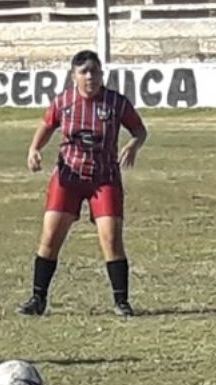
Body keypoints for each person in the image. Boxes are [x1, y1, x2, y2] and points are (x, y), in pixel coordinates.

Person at [18, 50, 148, 317]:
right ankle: (37, 298)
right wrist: (33, 149)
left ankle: (121, 302)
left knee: (111, 239)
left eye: (95, 71)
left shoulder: (116, 102)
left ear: (102, 73)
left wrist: (134, 144)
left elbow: (140, 129)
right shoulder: (63, 102)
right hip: (69, 178)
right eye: (84, 72)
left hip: (105, 178)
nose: (90, 76)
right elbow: (46, 125)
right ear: (73, 76)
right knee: (51, 237)